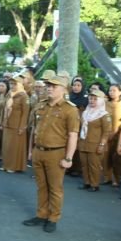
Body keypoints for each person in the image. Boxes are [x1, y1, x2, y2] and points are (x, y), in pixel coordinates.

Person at [24, 74, 79, 232]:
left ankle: (53, 218)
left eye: (53, 86)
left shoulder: (70, 109)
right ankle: (41, 214)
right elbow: (34, 129)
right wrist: (30, 151)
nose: (49, 88)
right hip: (38, 151)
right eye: (48, 85)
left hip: (56, 153)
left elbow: (73, 135)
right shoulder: (41, 105)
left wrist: (68, 158)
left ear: (63, 89)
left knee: (55, 188)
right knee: (41, 186)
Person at [77, 89, 111, 192]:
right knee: (84, 164)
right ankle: (87, 182)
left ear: (100, 101)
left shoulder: (104, 114)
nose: (92, 101)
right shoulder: (85, 112)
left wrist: (102, 145)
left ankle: (94, 184)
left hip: (95, 144)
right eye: (90, 98)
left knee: (94, 165)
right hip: (83, 143)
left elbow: (106, 132)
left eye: (95, 99)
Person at [1, 76, 29, 173]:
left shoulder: (23, 96)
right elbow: (4, 109)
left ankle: (13, 166)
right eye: (11, 84)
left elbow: (25, 113)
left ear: (19, 85)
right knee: (6, 146)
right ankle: (5, 164)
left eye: (14, 84)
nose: (12, 86)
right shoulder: (9, 94)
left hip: (16, 125)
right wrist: (2, 122)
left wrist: (22, 126)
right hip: (7, 123)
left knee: (14, 147)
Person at [105, 84, 121, 188]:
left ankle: (117, 179)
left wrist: (115, 132)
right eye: (110, 90)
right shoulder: (106, 103)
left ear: (120, 92)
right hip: (106, 133)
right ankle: (108, 177)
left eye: (114, 90)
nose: (111, 92)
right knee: (106, 157)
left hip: (119, 134)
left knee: (117, 157)